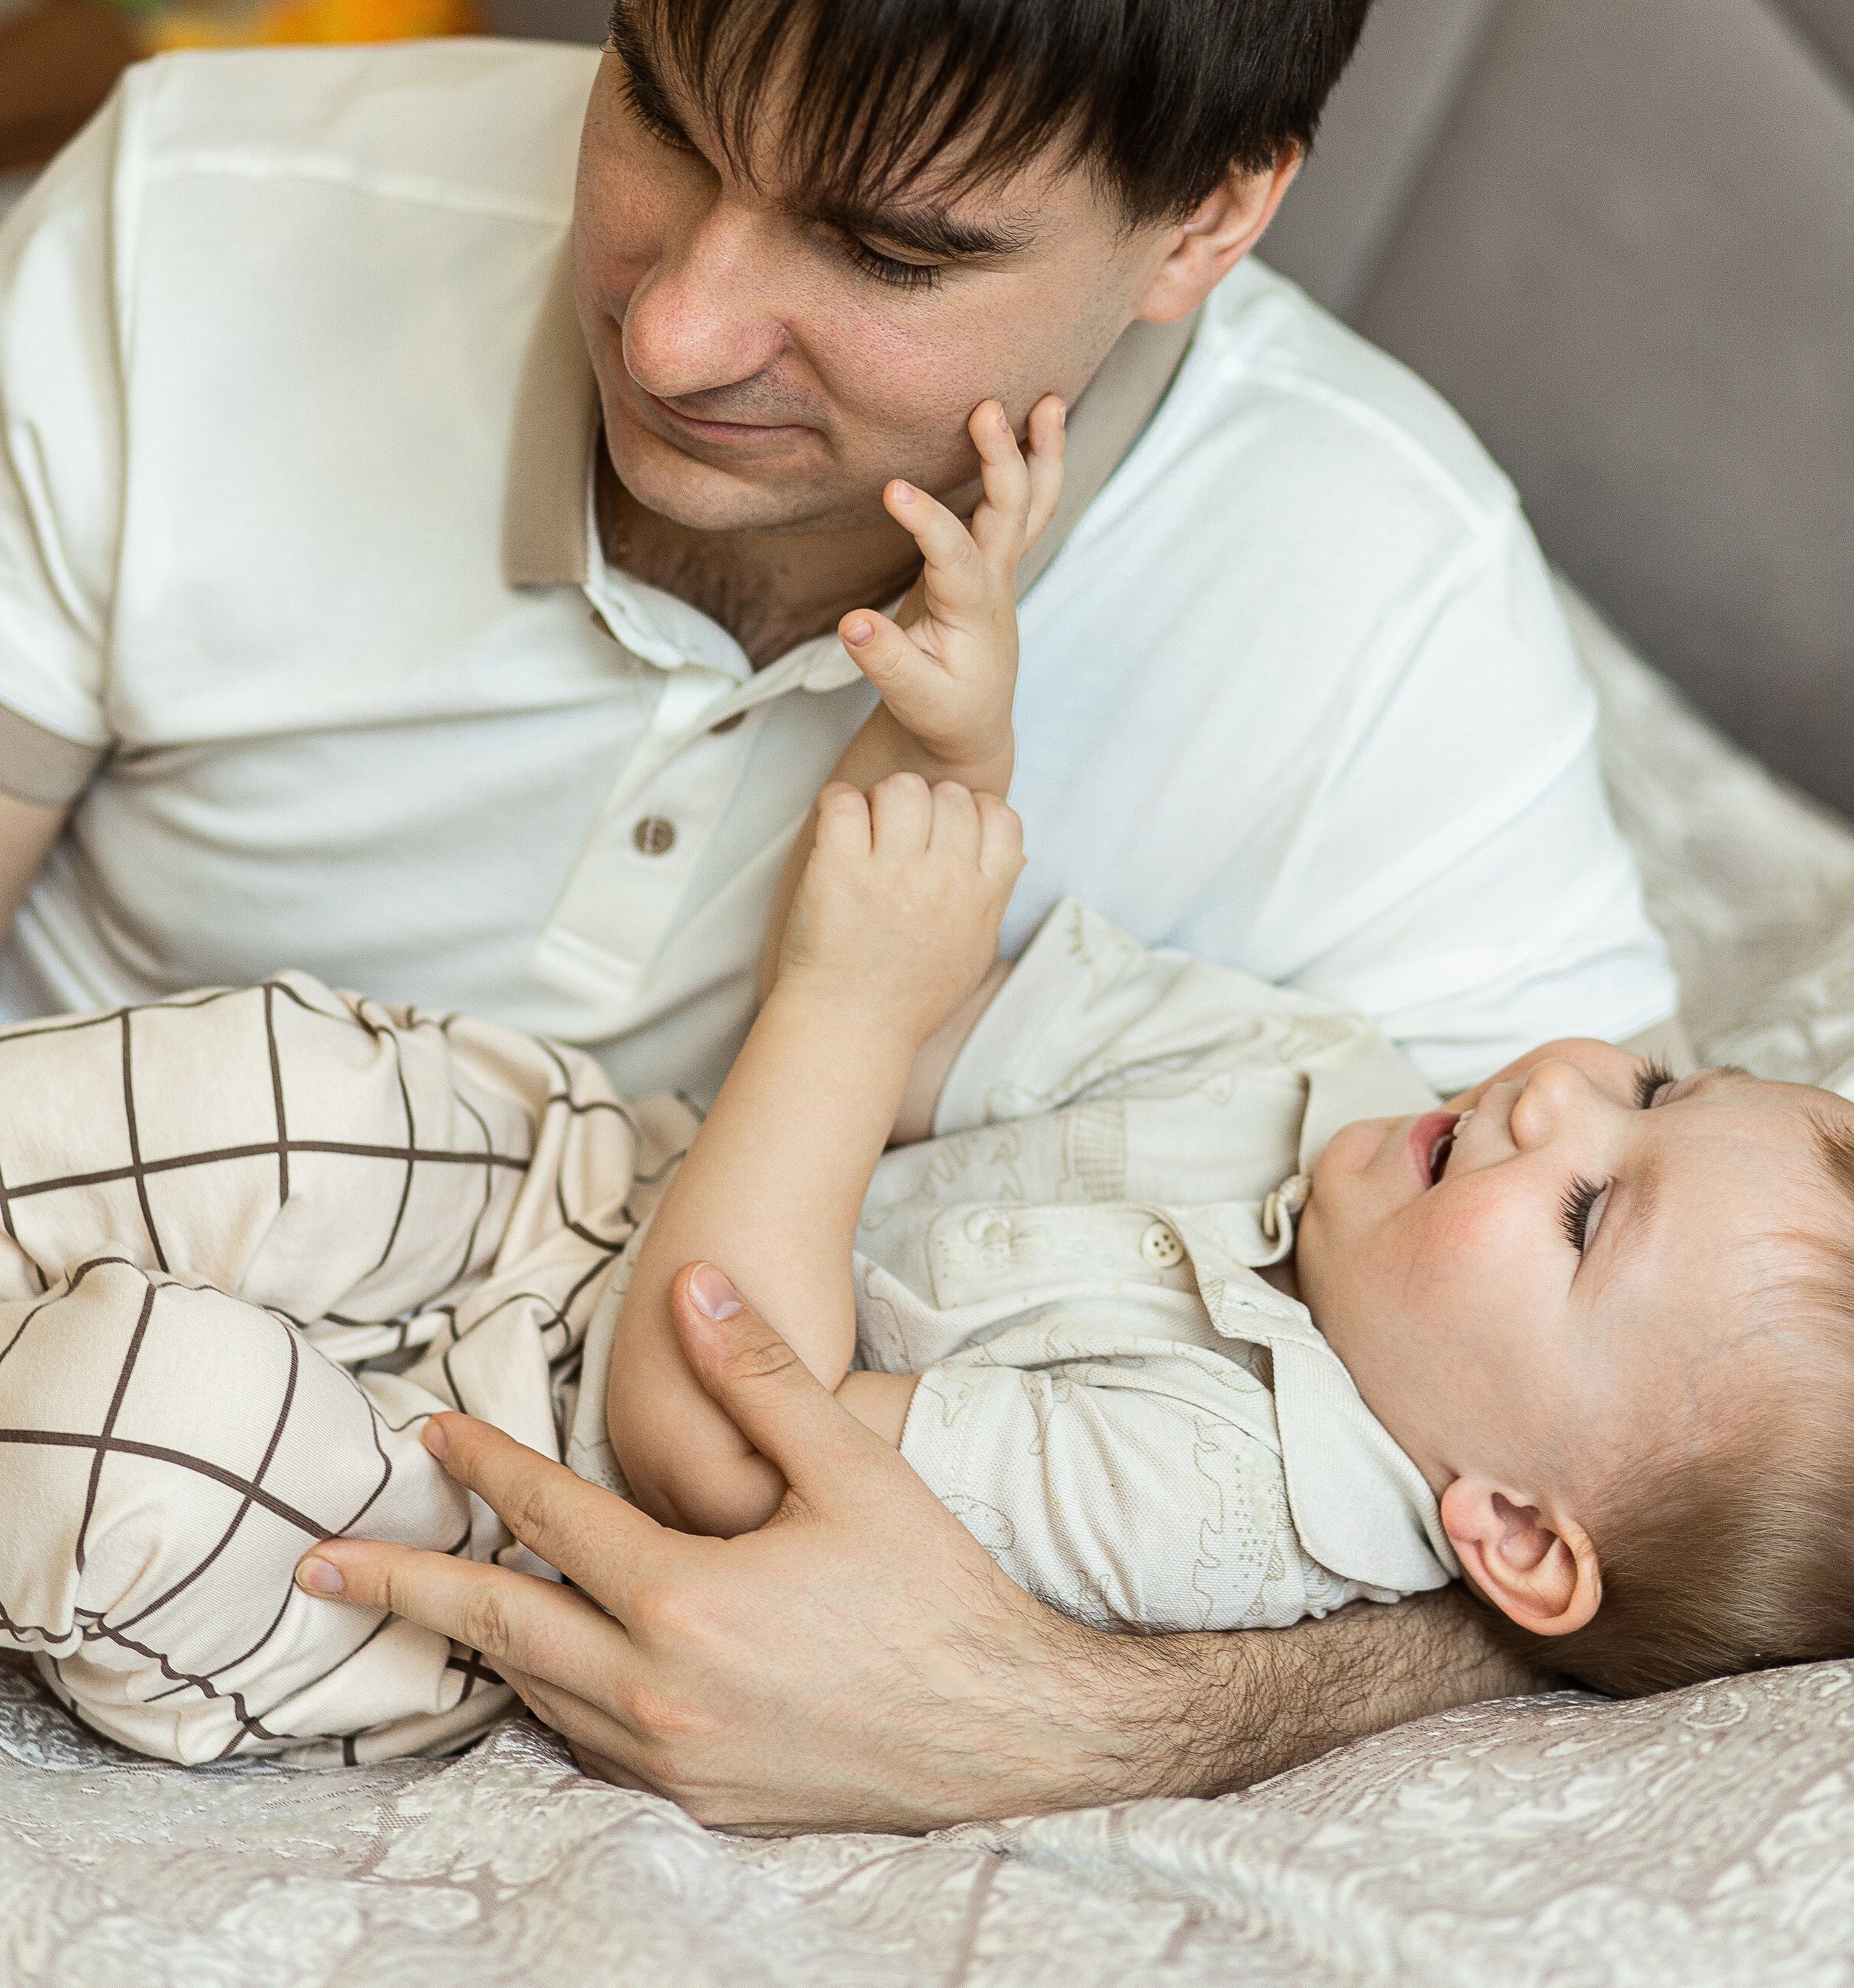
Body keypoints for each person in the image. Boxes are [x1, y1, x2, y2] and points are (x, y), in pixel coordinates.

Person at [0, 0, 1680, 1819]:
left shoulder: (1377, 600)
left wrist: (1087, 1726)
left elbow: (1643, 1475)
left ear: (1207, 216)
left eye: (887, 250)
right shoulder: (193, 234)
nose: (680, 331)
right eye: (664, 113)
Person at [0, 406, 1839, 1768]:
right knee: (263, 1080)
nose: (1558, 1100)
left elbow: (705, 1450)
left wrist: (837, 997)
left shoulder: (1226, 1496)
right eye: (1657, 1084)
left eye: (1593, 1210)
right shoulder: (1317, 1076)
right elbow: (911, 1013)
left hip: (508, 1523)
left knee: (128, 1421)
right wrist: (944, 746)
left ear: (1508, 1533)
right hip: (573, 1190)